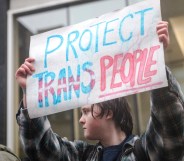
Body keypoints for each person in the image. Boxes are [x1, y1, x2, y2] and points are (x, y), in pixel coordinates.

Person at [15, 21, 184, 161]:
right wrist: (30, 93)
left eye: (86, 111)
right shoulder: (81, 155)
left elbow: (169, 125)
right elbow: (41, 149)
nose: (80, 120)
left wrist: (156, 62)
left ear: (108, 112)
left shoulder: (145, 151)